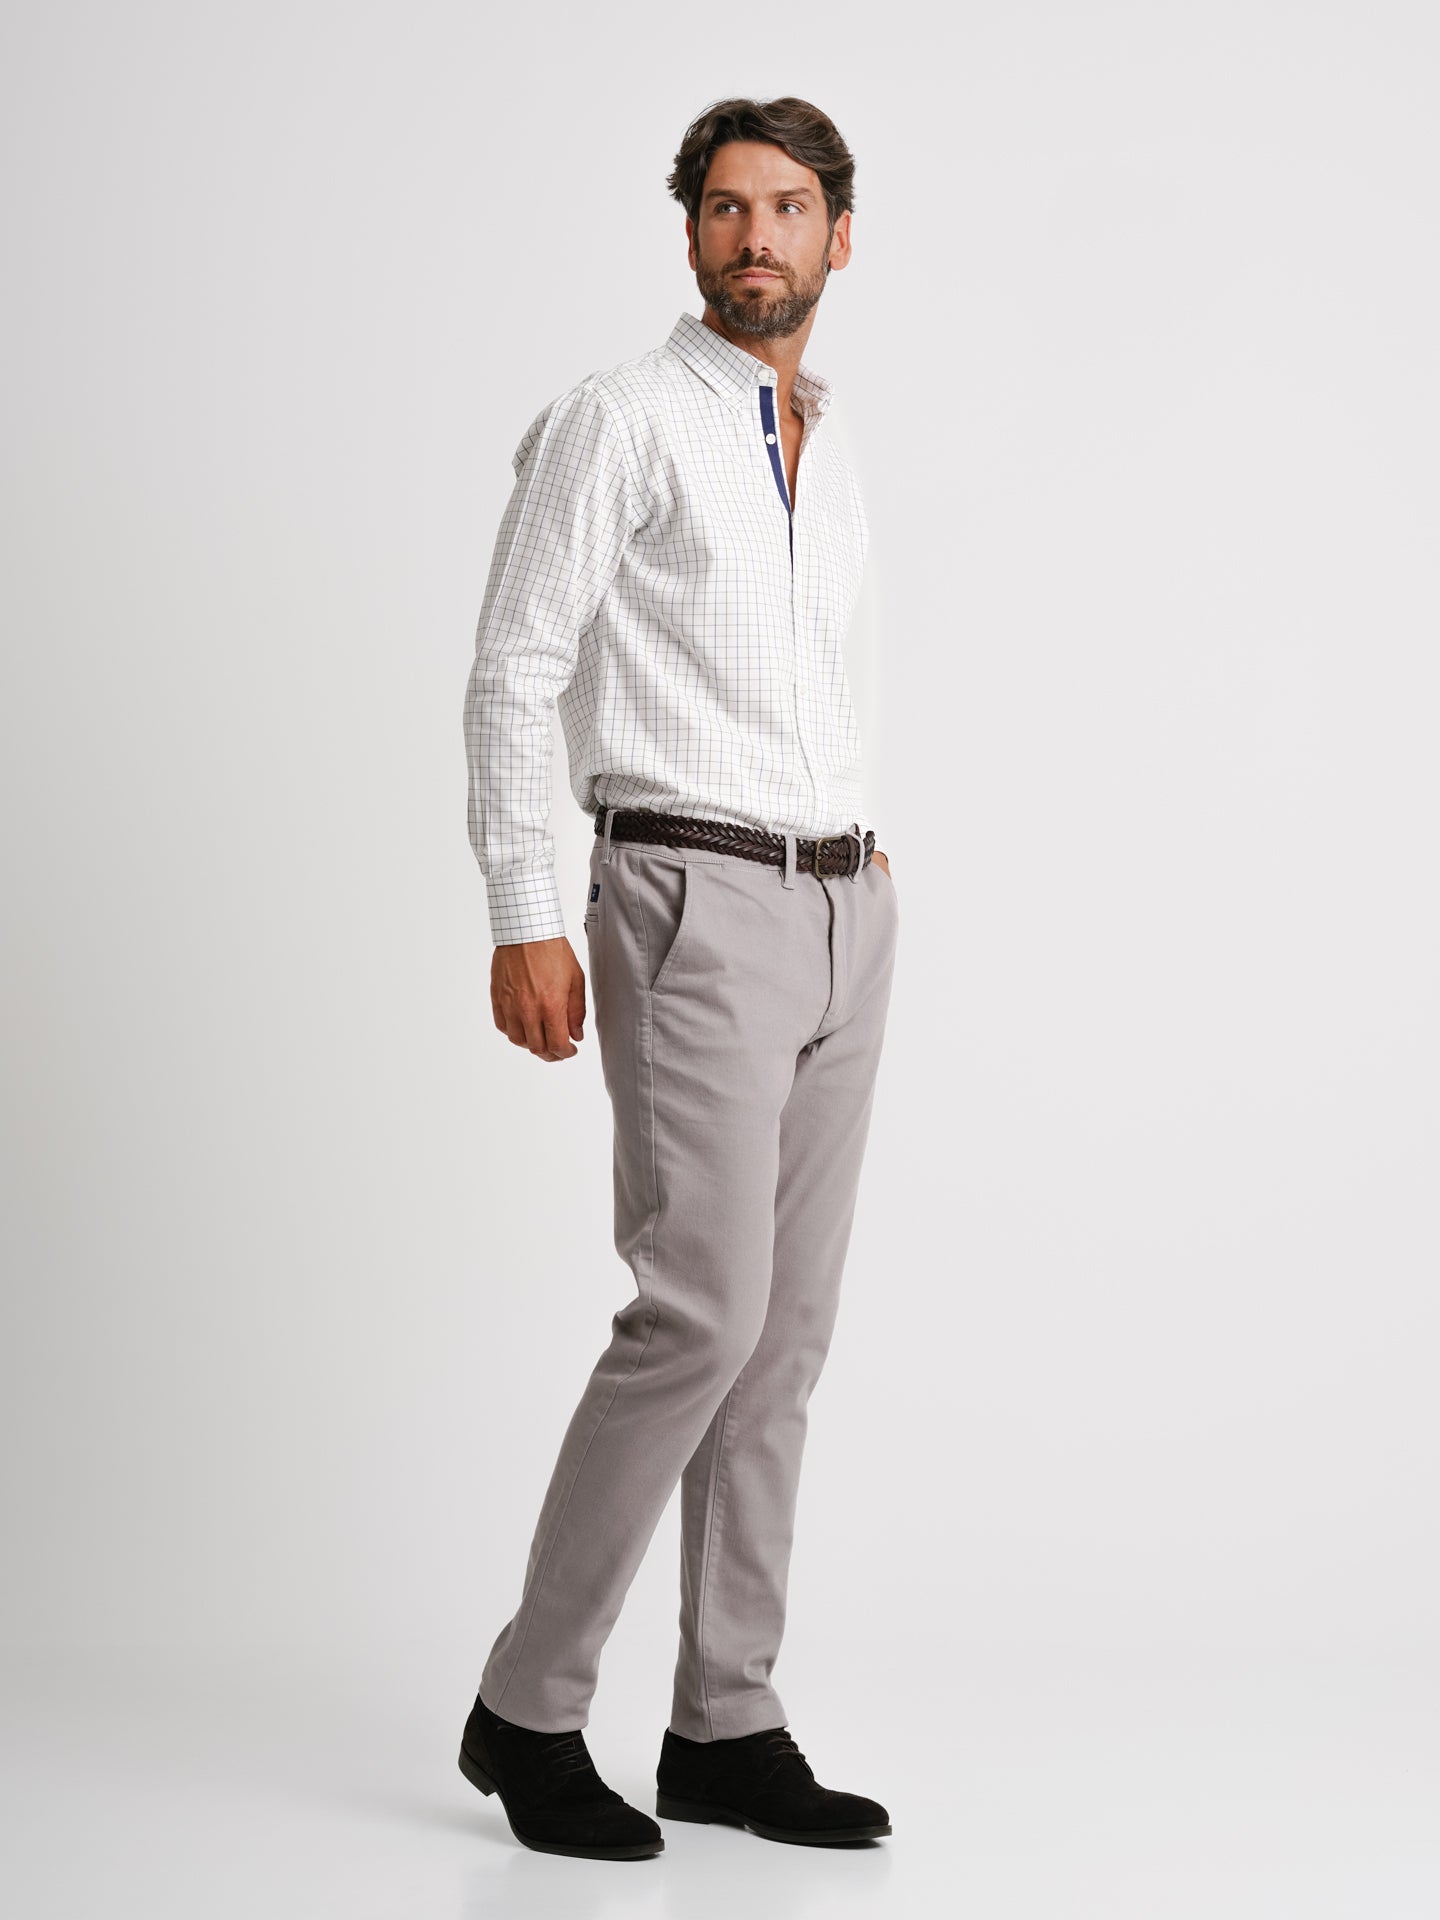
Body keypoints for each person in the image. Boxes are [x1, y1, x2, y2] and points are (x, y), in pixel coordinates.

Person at [458, 94, 900, 1861]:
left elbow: (810, 682)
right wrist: (525, 909)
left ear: (839, 236)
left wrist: (861, 857)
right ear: (692, 232)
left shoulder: (827, 437)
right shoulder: (621, 419)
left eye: (787, 207)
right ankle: (528, 1704)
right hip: (687, 893)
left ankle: (727, 1719)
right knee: (698, 1314)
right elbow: (515, 665)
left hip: (841, 907)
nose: (755, 237)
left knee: (782, 1340)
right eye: (726, 207)